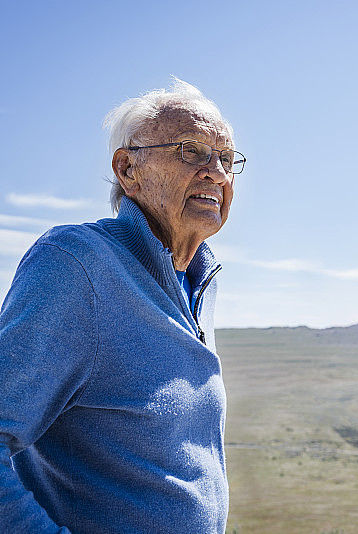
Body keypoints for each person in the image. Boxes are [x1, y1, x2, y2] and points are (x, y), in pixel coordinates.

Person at [0, 79, 245, 533]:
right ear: (128, 169)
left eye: (226, 158)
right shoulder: (77, 263)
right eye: (191, 150)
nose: (216, 172)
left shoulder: (196, 281)